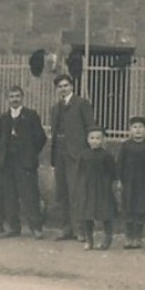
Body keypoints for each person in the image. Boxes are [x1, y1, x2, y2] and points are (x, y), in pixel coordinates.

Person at [0, 85, 47, 238]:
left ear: (22, 97)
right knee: (9, 195)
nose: (14, 99)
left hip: (25, 162)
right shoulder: (4, 118)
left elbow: (41, 138)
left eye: (17, 96)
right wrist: (3, 154)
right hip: (7, 162)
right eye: (11, 97)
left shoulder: (31, 115)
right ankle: (13, 227)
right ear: (7, 99)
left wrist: (30, 153)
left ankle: (36, 228)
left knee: (30, 195)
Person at [47, 73, 96, 241]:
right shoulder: (55, 108)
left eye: (66, 85)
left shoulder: (82, 104)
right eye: (60, 86)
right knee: (61, 193)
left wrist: (87, 153)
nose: (63, 89)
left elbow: (91, 128)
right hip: (59, 154)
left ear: (72, 86)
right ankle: (66, 229)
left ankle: (79, 230)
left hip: (76, 155)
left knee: (76, 192)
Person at [116, 115, 145, 248]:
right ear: (130, 129)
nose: (138, 130)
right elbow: (120, 163)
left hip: (143, 183)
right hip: (128, 182)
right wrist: (119, 179)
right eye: (134, 127)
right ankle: (128, 237)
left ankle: (138, 237)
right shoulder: (126, 146)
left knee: (141, 209)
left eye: (140, 127)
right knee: (128, 208)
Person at [73, 128, 119, 251]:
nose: (95, 141)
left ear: (103, 139)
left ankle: (107, 239)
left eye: (98, 138)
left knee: (105, 214)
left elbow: (112, 172)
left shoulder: (107, 155)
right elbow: (78, 171)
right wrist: (80, 186)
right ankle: (89, 240)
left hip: (102, 189)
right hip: (88, 188)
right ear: (87, 140)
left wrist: (112, 184)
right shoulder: (83, 155)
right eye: (92, 138)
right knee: (87, 214)